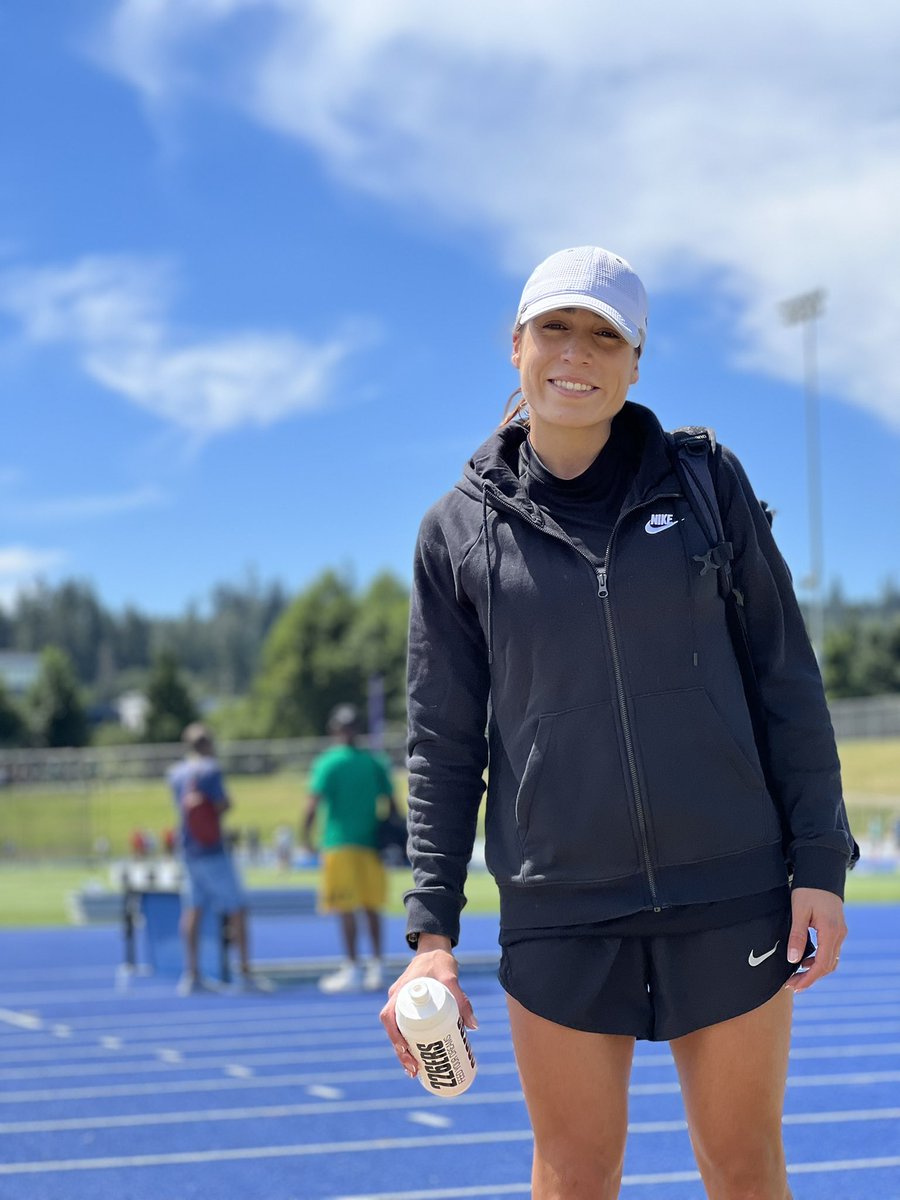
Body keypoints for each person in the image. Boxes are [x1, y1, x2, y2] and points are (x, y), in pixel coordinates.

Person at [381, 246, 858, 1199]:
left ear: (636, 362)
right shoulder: (455, 534)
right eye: (555, 329)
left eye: (605, 336)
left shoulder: (707, 484)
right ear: (516, 345)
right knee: (575, 1174)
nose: (577, 354)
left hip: (729, 886)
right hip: (558, 906)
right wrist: (432, 933)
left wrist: (820, 861)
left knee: (744, 1166)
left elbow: (786, 679)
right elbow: (443, 743)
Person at [304, 703, 398, 993]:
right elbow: (392, 806)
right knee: (371, 906)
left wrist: (305, 838)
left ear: (334, 729)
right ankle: (377, 967)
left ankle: (353, 967)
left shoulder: (328, 762)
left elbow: (312, 804)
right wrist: (393, 836)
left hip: (339, 843)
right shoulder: (374, 762)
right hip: (370, 844)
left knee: (345, 908)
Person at [169, 722, 265, 995]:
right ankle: (244, 973)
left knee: (193, 910)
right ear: (208, 744)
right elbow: (222, 804)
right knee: (238, 909)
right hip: (211, 849)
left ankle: (192, 974)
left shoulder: (176, 773)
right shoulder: (210, 769)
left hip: (188, 849)